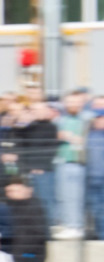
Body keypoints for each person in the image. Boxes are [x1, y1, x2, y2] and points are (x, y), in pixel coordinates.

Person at [54, 89, 91, 236]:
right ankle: (68, 224)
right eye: (70, 102)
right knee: (64, 195)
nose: (73, 105)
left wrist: (81, 140)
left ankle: (76, 226)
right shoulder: (60, 120)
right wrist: (59, 135)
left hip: (79, 162)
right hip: (62, 160)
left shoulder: (88, 119)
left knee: (76, 195)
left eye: (76, 102)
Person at [3, 178, 48, 262]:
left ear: (29, 190)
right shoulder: (7, 207)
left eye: (17, 190)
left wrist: (21, 252)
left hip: (32, 253)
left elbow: (38, 234)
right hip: (14, 252)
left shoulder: (35, 207)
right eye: (10, 191)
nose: (12, 194)